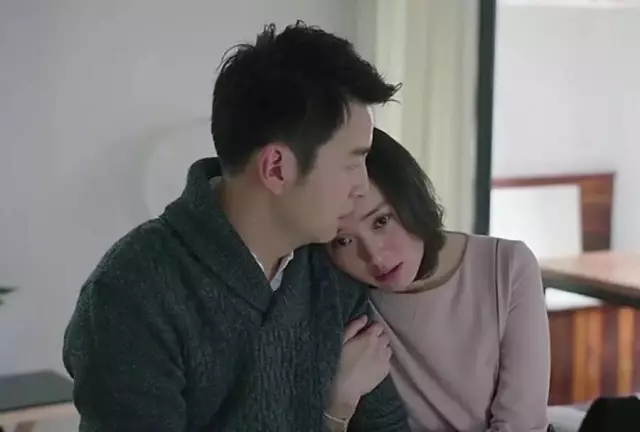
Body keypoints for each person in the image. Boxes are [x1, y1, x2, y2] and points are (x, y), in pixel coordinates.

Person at [62, 24, 410, 431]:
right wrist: (333, 413)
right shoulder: (131, 293)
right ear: (276, 168)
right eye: (352, 163)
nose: (362, 186)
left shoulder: (332, 269)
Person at [327, 128, 551, 431]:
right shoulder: (348, 303)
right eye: (343, 241)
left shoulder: (508, 266)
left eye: (381, 221)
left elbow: (522, 425)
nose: (375, 256)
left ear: (410, 197)